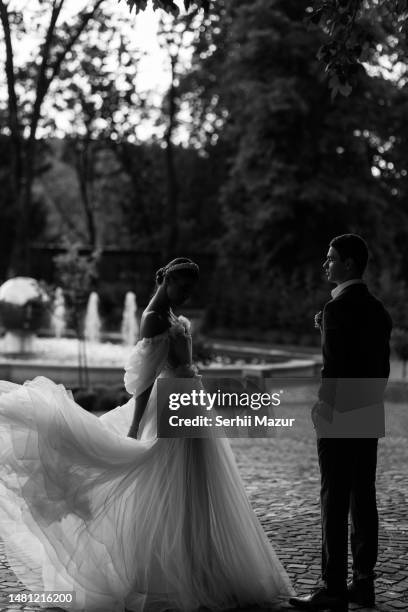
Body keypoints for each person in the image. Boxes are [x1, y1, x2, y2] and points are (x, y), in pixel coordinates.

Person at [0, 257, 293, 612]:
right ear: (167, 281)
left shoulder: (168, 315)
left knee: (195, 487)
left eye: (190, 288)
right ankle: (170, 571)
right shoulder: (154, 318)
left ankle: (200, 565)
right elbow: (143, 383)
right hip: (171, 407)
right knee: (171, 485)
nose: (187, 294)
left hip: (187, 404)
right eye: (183, 287)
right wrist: (136, 426)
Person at [289, 235, 392, 612]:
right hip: (367, 409)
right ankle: (363, 583)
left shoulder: (336, 310)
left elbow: (334, 369)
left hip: (338, 412)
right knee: (363, 497)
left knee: (334, 498)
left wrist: (323, 410)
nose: (325, 264)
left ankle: (332, 588)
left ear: (348, 264)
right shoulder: (379, 310)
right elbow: (377, 368)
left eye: (331, 259)